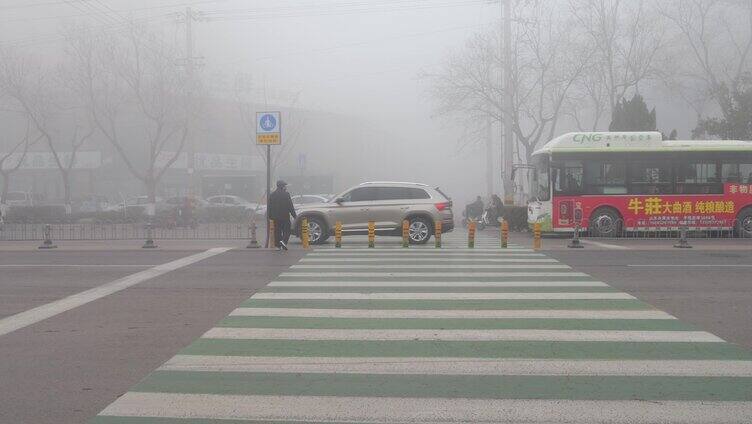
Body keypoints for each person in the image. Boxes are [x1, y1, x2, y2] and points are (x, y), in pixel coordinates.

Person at [268, 180, 297, 250]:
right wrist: (295, 216)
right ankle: (284, 241)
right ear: (282, 186)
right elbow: (290, 206)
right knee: (287, 230)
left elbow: (269, 207)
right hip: (284, 217)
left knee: (277, 232)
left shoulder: (272, 195)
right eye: (284, 186)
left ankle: (278, 246)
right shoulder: (286, 194)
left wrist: (270, 216)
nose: (285, 187)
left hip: (275, 217)